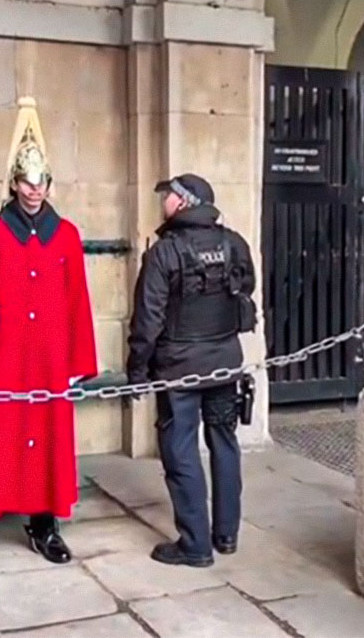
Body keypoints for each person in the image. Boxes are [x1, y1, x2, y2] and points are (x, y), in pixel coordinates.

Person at [0, 97, 98, 573]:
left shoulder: (68, 236)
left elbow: (79, 301)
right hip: (6, 358)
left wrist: (80, 363)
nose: (33, 190)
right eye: (25, 181)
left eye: (40, 182)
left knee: (47, 439)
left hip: (51, 361)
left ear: (49, 184)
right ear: (13, 184)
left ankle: (43, 522)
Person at [127, 174, 256, 567]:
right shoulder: (234, 244)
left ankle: (195, 545)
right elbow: (246, 292)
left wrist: (138, 371)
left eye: (169, 195)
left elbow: (147, 320)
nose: (163, 200)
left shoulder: (164, 253)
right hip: (223, 363)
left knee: (180, 449)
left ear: (184, 202)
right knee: (224, 442)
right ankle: (226, 535)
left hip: (179, 369)